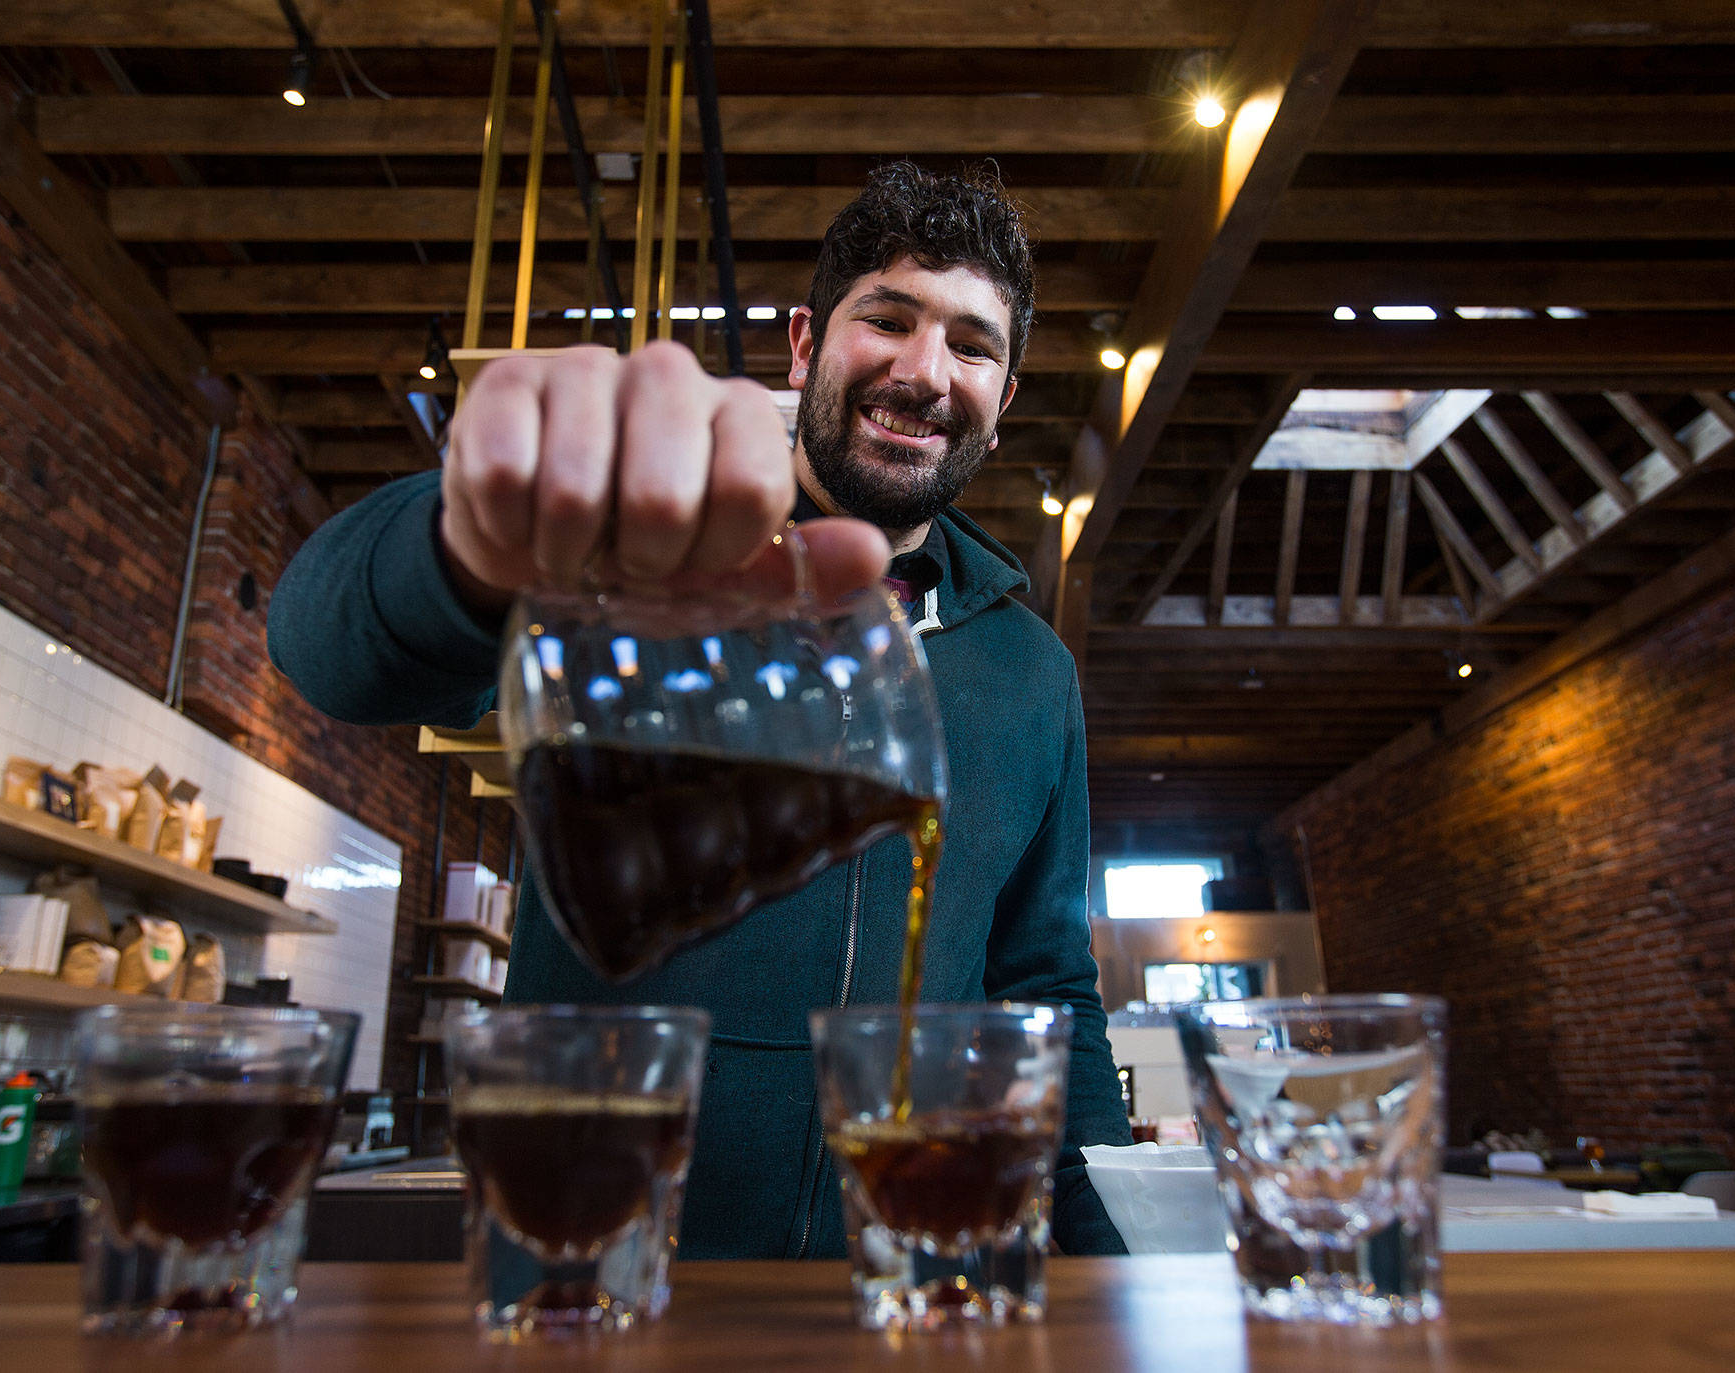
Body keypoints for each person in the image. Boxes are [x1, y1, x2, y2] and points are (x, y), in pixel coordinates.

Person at [269, 161, 1133, 1257]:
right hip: (600, 1255)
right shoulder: (645, 557)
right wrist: (466, 548)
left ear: (1001, 404)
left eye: (970, 343)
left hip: (904, 1280)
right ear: (805, 344)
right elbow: (320, 651)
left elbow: (1044, 985)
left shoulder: (1031, 669)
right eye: (888, 318)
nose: (925, 371)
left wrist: (1115, 1265)